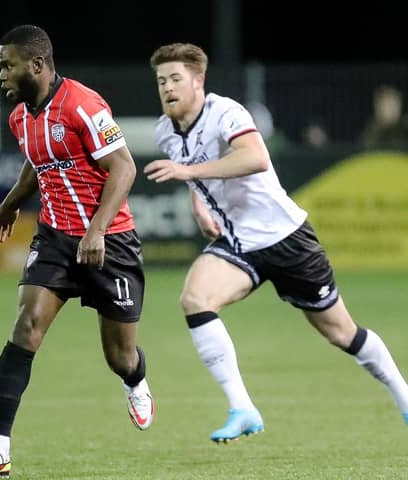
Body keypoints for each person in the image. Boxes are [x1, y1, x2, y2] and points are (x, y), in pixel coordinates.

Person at [143, 42, 408, 443]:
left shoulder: (226, 112)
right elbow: (192, 168)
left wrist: (187, 172)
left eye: (176, 78)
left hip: (287, 241)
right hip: (238, 244)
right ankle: (242, 408)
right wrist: (199, 200)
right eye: (161, 80)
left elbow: (254, 158)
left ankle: (403, 396)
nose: (167, 87)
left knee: (343, 334)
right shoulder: (166, 131)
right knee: (195, 298)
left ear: (199, 80)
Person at [0, 25, 154, 477]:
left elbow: (124, 167)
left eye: (7, 66)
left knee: (119, 356)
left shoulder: (84, 105)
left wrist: (98, 230)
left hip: (110, 244)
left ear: (37, 65)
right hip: (53, 238)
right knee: (26, 327)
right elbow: (38, 163)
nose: (1, 76)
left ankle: (136, 380)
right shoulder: (19, 119)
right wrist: (10, 204)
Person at [360, 84, 408, 150]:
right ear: (377, 106)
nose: (392, 109)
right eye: (388, 104)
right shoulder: (372, 130)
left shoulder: (405, 127)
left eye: (395, 103)